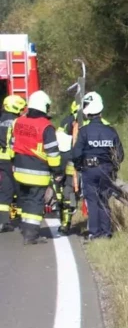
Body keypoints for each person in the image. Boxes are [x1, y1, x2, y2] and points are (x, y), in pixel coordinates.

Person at [72, 92, 123, 241]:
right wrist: (112, 167)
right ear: (100, 110)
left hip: (89, 170)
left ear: (87, 112)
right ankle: (107, 232)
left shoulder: (84, 132)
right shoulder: (111, 131)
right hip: (106, 170)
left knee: (92, 201)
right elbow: (119, 155)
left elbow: (76, 154)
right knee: (104, 200)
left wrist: (79, 166)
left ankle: (94, 233)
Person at [12, 91, 60, 245]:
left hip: (19, 169)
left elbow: (13, 143)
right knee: (35, 202)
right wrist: (57, 170)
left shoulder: (18, 121)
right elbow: (52, 153)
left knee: (25, 200)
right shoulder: (46, 126)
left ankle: (26, 229)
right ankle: (31, 236)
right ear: (44, 106)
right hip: (37, 171)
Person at [0, 94, 26, 233]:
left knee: (5, 190)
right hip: (14, 159)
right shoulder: (18, 122)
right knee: (21, 189)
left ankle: (3, 222)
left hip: (1, 160)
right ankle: (23, 221)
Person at [55, 101, 80, 234]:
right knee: (69, 190)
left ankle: (63, 221)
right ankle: (66, 223)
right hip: (74, 160)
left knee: (62, 189)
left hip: (61, 159)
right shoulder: (83, 121)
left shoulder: (65, 120)